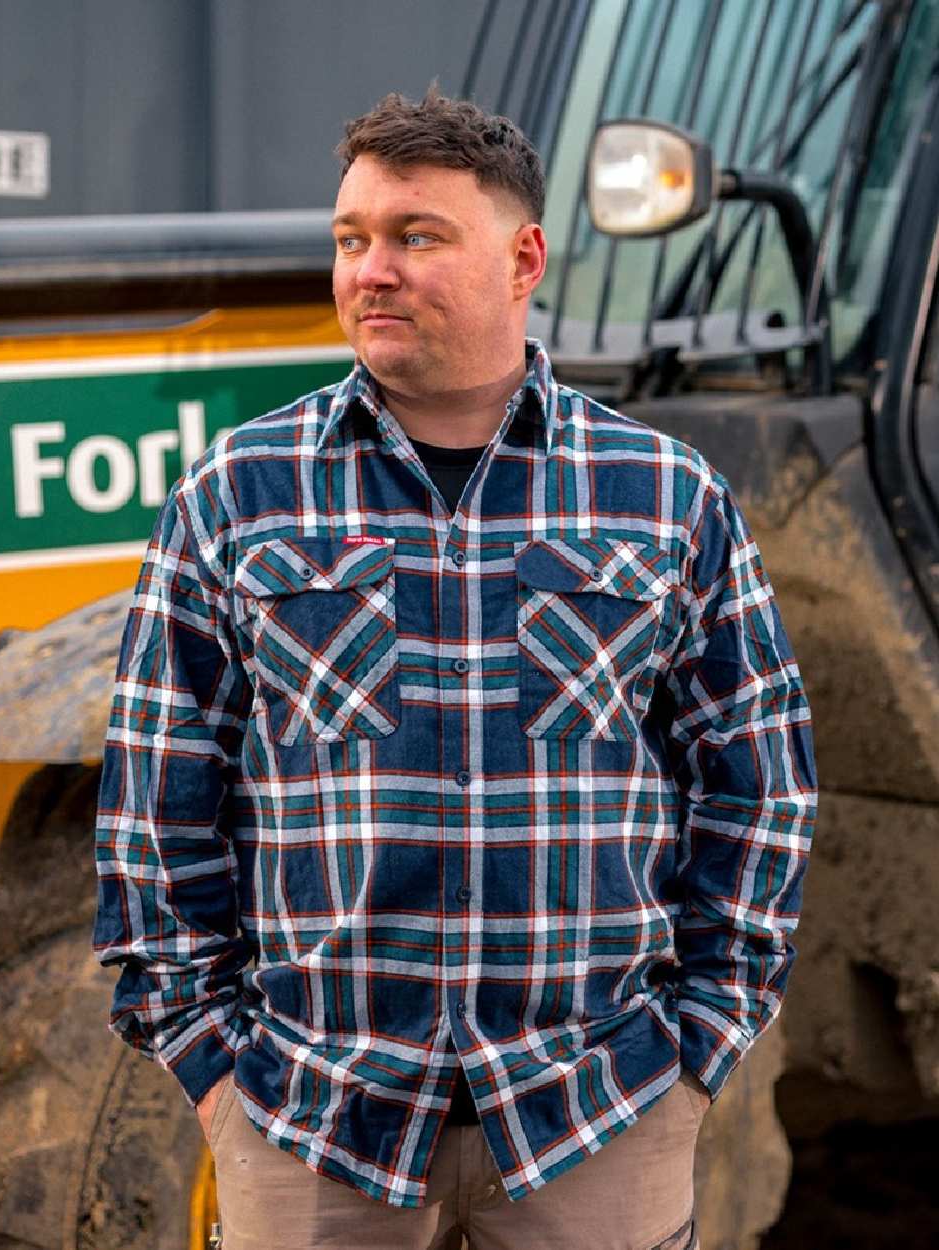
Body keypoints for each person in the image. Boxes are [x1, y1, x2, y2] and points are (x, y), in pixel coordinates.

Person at [94, 87, 816, 1250]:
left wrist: (697, 1052)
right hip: (310, 1123)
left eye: (415, 236)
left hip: (600, 1111)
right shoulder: (237, 493)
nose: (370, 270)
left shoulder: (666, 496)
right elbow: (154, 808)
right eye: (351, 239)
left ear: (522, 258)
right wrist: (215, 1075)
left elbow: (758, 785)